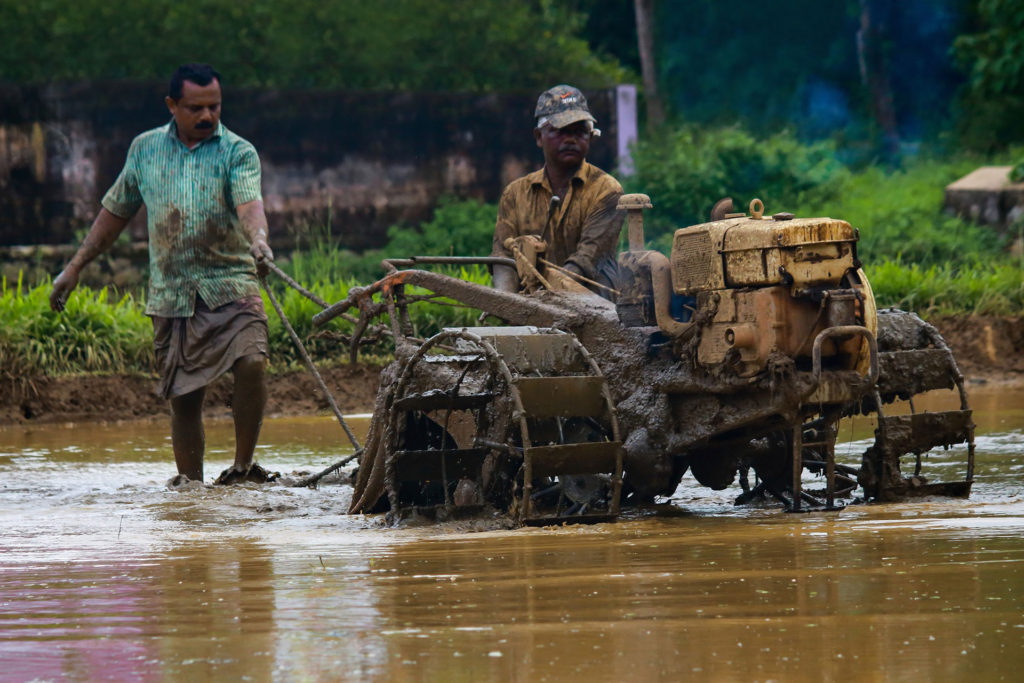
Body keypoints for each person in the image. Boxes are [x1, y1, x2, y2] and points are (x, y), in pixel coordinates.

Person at [49, 63, 276, 486]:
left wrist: (258, 239)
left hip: (232, 283)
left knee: (252, 363)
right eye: (196, 108)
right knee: (184, 400)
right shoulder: (145, 149)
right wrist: (75, 267)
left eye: (215, 106)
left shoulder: (238, 151)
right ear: (172, 106)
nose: (207, 116)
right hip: (172, 294)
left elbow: (250, 203)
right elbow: (114, 211)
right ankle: (191, 488)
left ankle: (243, 468)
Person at [491, 84, 624, 294]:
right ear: (538, 137)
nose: (570, 139)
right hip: (529, 311)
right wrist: (505, 302)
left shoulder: (607, 191)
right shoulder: (514, 194)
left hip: (596, 312)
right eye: (560, 131)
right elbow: (503, 260)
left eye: (580, 131)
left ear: (590, 137)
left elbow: (586, 261)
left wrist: (545, 298)